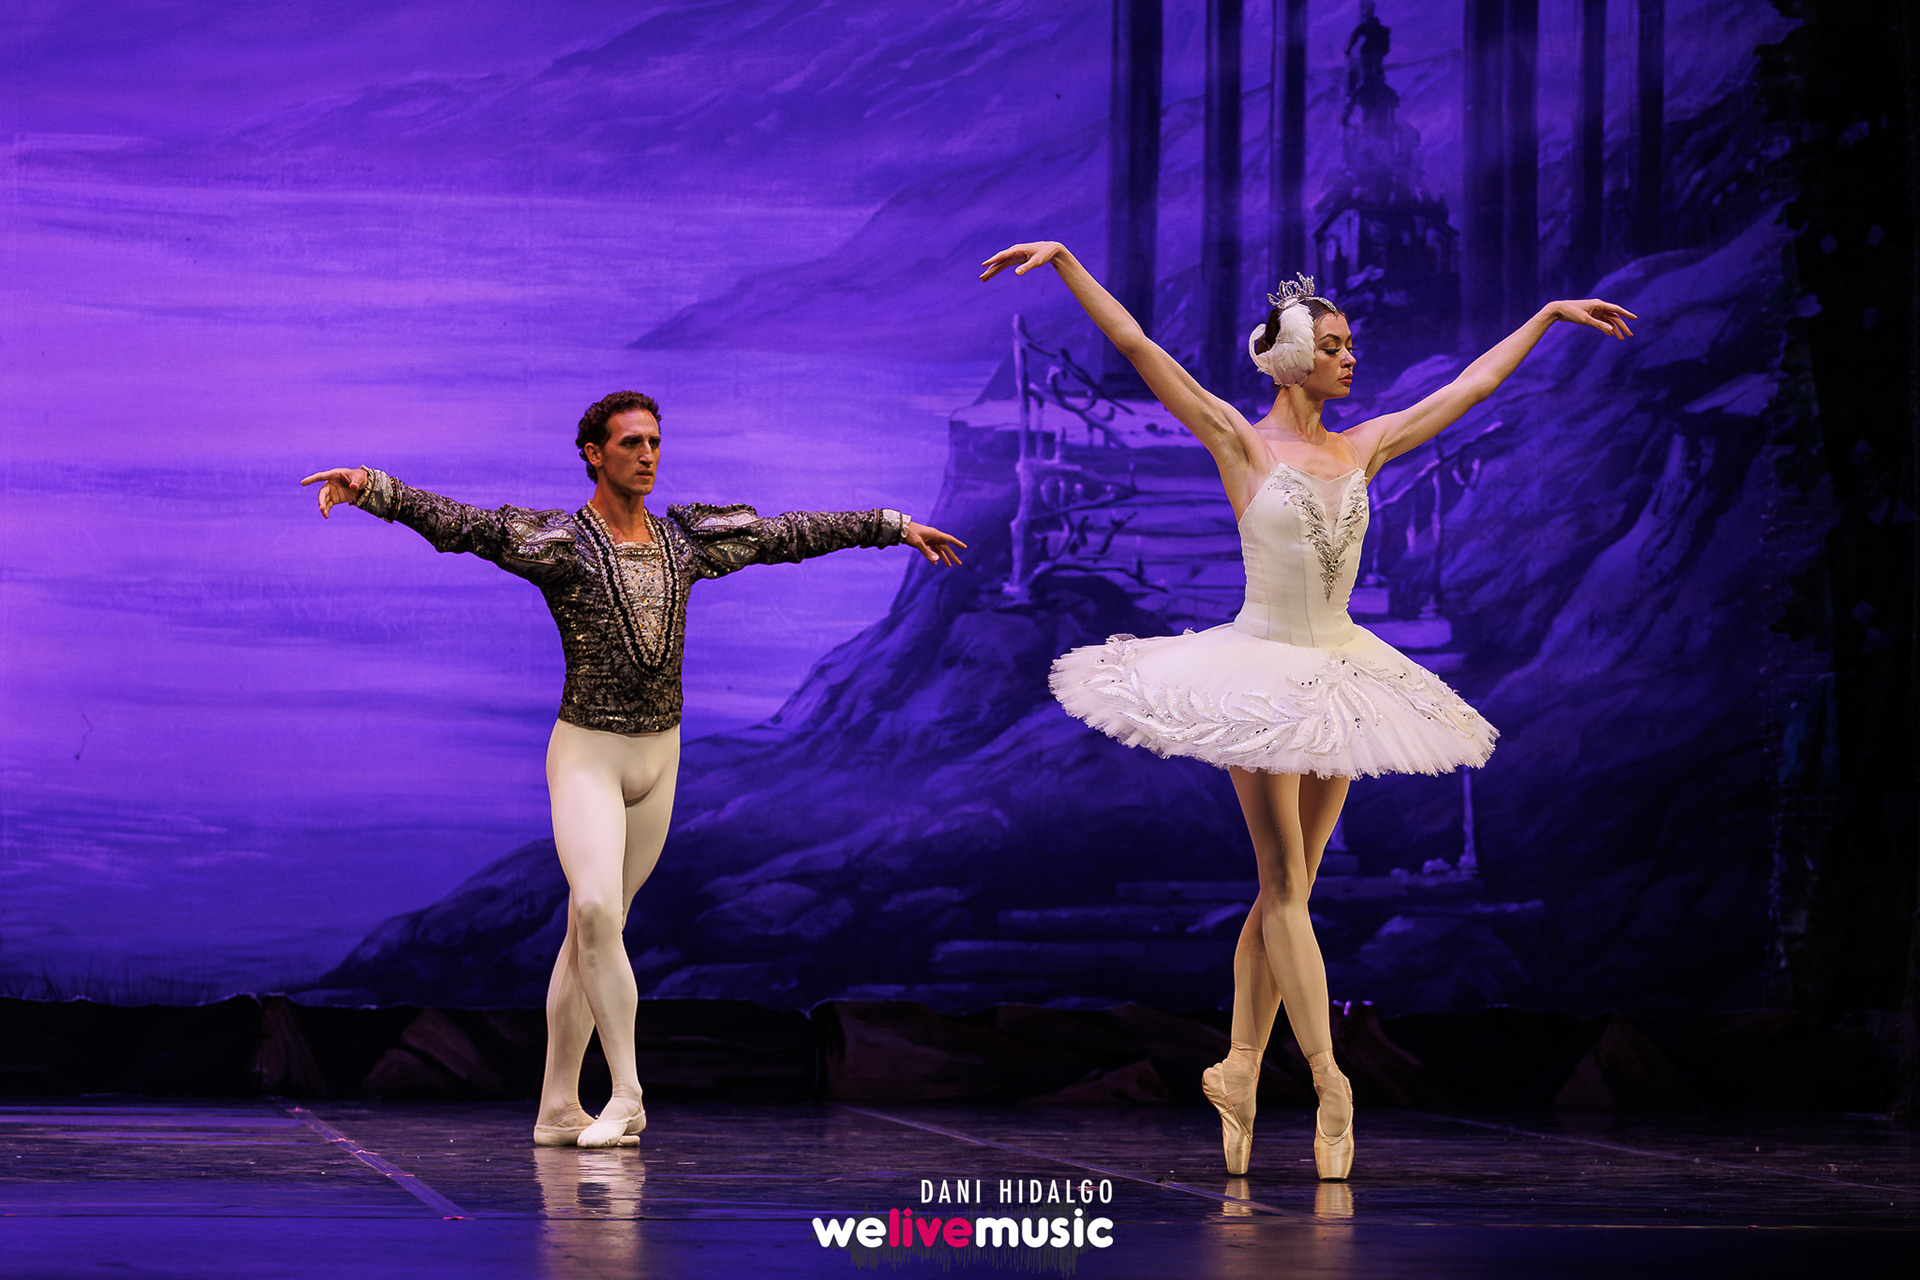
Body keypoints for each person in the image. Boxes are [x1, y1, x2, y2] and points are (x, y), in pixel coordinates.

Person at [981, 243, 1634, 1179]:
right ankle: (1330, 1080)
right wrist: (1069, 264)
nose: (1349, 358)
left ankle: (1240, 1069)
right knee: (1286, 886)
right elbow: (1137, 348)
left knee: (1284, 894)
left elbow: (1473, 388)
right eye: (1332, 346)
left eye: (1349, 345)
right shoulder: (1240, 443)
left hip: (1340, 673)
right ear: (1289, 359)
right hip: (1257, 674)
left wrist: (1547, 315)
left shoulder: (1363, 446)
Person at [302, 391, 965, 1149]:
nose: (647, 456)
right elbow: (470, 527)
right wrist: (374, 489)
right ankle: (628, 1093)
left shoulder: (687, 541)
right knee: (592, 911)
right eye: (630, 444)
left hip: (659, 757)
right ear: (594, 454)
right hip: (588, 753)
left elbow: (788, 534)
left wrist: (891, 525)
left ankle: (557, 1106)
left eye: (654, 442)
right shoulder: (562, 544)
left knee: (597, 929)